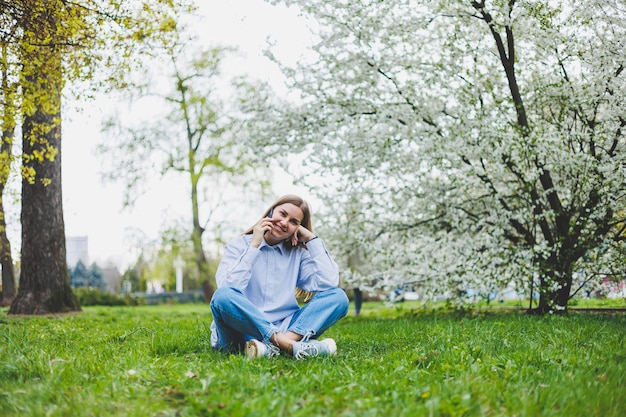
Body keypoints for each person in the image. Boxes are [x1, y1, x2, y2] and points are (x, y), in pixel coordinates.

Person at [210, 194, 349, 359]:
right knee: (222, 296)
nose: (284, 223)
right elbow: (229, 287)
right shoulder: (239, 245)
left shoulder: (298, 253)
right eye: (282, 214)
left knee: (339, 297)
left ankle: (273, 347)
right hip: (241, 332)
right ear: (270, 212)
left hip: (288, 327)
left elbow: (329, 283)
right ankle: (291, 346)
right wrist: (254, 245)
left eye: (294, 222)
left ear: (299, 228)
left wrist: (312, 240)